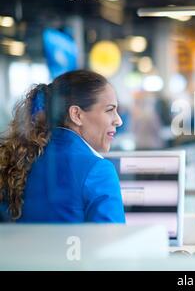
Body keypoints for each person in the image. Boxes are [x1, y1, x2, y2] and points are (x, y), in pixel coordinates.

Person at [0, 70, 125, 223]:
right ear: (77, 115)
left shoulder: (21, 157)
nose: (119, 121)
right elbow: (113, 243)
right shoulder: (97, 170)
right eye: (110, 110)